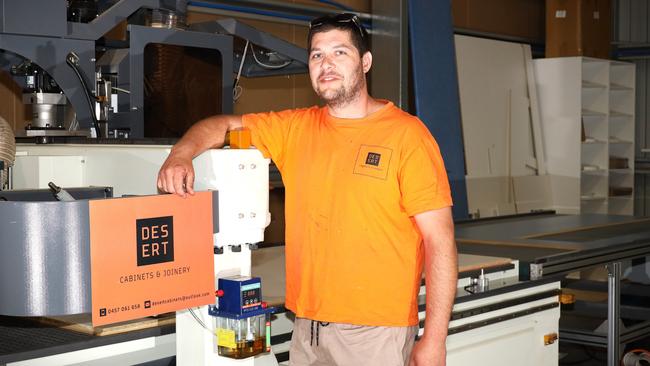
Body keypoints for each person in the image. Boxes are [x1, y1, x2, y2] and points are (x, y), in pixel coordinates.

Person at [158, 13, 457, 366]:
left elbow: (440, 242)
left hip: (375, 333)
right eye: (316, 55)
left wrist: (434, 339)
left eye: (339, 53)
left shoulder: (408, 136)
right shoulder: (296, 129)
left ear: (365, 62)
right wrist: (181, 154)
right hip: (307, 330)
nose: (326, 64)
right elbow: (222, 125)